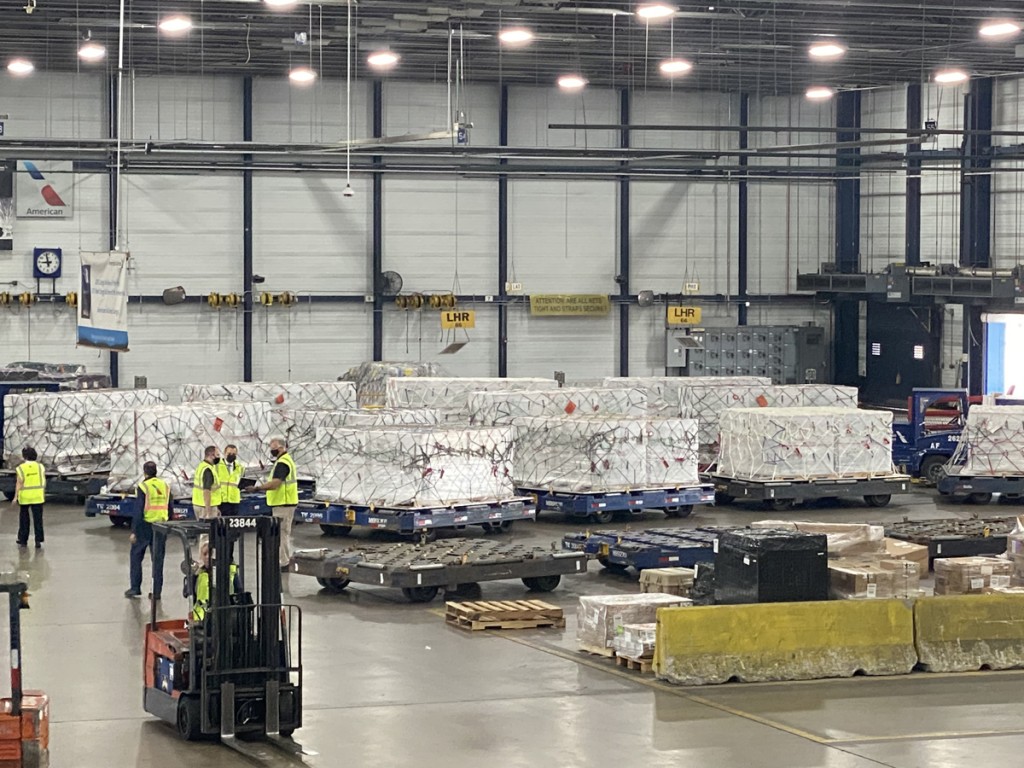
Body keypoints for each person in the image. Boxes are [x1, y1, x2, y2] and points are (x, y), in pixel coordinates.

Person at [249, 437, 297, 570]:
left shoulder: (283, 463)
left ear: (281, 448)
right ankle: (282, 560)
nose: (271, 451)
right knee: (280, 534)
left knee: (282, 534)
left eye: (273, 448)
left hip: (284, 504)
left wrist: (258, 488)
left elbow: (276, 483)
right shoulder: (283, 461)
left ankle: (283, 563)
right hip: (282, 503)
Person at [125, 461, 169, 600]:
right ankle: (156, 592)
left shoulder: (143, 487)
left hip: (145, 525)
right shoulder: (165, 485)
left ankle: (135, 588)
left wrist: (134, 531)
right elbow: (170, 506)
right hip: (161, 526)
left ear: (144, 472)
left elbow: (138, 511)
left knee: (136, 556)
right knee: (158, 560)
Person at [12, 447, 46, 549]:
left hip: (25, 497)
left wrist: (15, 497)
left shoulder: (21, 468)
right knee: (38, 519)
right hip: (38, 496)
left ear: (24, 456)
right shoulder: (41, 467)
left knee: (24, 519)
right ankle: (38, 540)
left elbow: (19, 483)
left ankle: (23, 540)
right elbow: (43, 481)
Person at [191, 445, 222, 520]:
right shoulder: (208, 470)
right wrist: (209, 511)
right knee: (208, 530)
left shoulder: (202, 466)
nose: (219, 457)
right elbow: (206, 491)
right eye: (217, 455)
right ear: (211, 455)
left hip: (199, 504)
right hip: (206, 507)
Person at [216, 444, 244, 517]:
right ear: (224, 453)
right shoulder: (217, 466)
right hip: (221, 501)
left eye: (234, 454)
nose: (231, 455)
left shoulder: (240, 467)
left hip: (234, 501)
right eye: (229, 453)